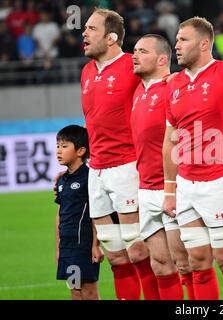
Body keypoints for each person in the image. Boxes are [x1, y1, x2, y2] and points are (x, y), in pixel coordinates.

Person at [162, 16, 223, 300]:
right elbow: (170, 140)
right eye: (176, 40)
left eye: (183, 40)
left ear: (204, 43)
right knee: (197, 262)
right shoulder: (173, 85)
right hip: (186, 183)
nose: (176, 45)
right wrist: (170, 190)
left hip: (220, 179)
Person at [80, 7, 157, 300]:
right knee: (115, 256)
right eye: (84, 28)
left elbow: (166, 91)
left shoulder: (133, 65)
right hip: (96, 170)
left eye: (91, 29)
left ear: (111, 37)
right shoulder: (86, 71)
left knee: (138, 251)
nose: (83, 34)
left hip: (127, 167)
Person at [130, 33, 194, 300]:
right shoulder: (137, 91)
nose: (134, 55)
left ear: (162, 59)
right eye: (134, 50)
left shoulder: (174, 86)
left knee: (185, 264)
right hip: (146, 188)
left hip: (173, 187)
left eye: (142, 51)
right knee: (160, 265)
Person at [55, 125, 103, 300]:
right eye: (57, 146)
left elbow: (97, 212)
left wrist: (95, 245)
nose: (59, 151)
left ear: (81, 151)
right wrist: (58, 248)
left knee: (89, 292)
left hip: (83, 246)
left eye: (64, 146)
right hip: (67, 247)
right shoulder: (61, 180)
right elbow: (59, 215)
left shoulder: (89, 178)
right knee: (75, 292)